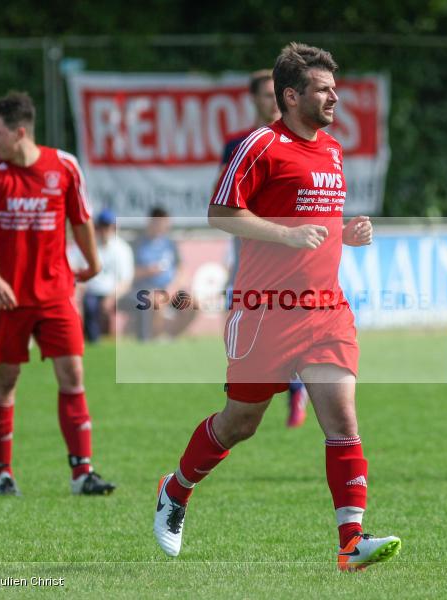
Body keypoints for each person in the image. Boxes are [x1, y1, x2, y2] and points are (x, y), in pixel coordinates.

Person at [153, 43, 401, 571]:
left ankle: (351, 542)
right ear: (291, 95)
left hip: (324, 308)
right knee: (240, 422)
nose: (336, 95)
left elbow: (314, 221)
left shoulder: (332, 149)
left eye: (336, 87)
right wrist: (286, 237)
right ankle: (175, 490)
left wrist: (346, 233)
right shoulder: (259, 145)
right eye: (324, 88)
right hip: (265, 309)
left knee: (343, 420)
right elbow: (222, 212)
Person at [0, 91, 116, 496]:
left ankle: (82, 473)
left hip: (55, 291)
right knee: (6, 378)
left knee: (73, 374)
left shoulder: (64, 165)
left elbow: (80, 218)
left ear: (19, 132)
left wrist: (94, 261)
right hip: (7, 297)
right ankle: (0, 473)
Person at [221, 70, 309, 429]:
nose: (269, 103)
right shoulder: (238, 144)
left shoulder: (303, 141)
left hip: (289, 253)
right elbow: (227, 198)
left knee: (292, 316)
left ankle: (296, 388)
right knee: (242, 312)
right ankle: (248, 388)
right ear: (253, 100)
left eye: (273, 96)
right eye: (262, 97)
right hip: (249, 247)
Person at [130, 207, 197, 340]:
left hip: (170, 289)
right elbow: (129, 272)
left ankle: (170, 336)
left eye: (165, 222)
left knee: (193, 304)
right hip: (146, 289)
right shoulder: (138, 244)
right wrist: (148, 271)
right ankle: (156, 339)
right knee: (157, 301)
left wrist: (173, 287)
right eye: (159, 222)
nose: (163, 225)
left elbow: (181, 269)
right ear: (151, 222)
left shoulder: (170, 244)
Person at [69, 208, 135, 342]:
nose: (105, 231)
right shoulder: (85, 245)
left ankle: (143, 339)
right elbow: (71, 266)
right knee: (89, 305)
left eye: (108, 227)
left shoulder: (123, 249)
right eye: (102, 226)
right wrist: (79, 285)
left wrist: (112, 297)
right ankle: (93, 340)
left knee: (141, 302)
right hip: (91, 292)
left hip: (116, 292)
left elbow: (126, 281)